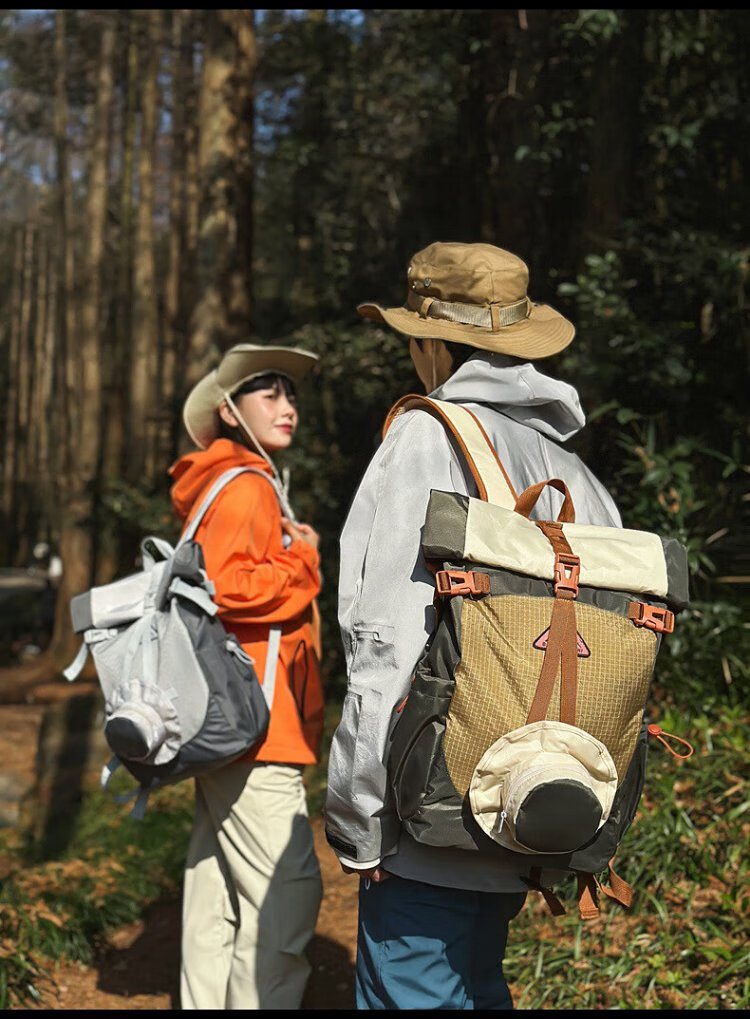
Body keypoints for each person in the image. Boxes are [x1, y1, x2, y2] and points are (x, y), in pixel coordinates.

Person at [324, 242, 623, 1010]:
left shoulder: (427, 438)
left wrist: (359, 816)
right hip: (536, 797)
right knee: (475, 983)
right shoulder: (574, 471)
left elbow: (387, 638)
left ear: (431, 343)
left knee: (417, 985)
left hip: (431, 805)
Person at [170, 343, 325, 1010]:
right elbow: (227, 583)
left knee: (218, 893)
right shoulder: (247, 484)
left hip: (225, 718)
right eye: (269, 394)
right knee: (286, 894)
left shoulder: (229, 481)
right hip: (255, 724)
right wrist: (305, 559)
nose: (287, 407)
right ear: (230, 412)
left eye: (290, 395)